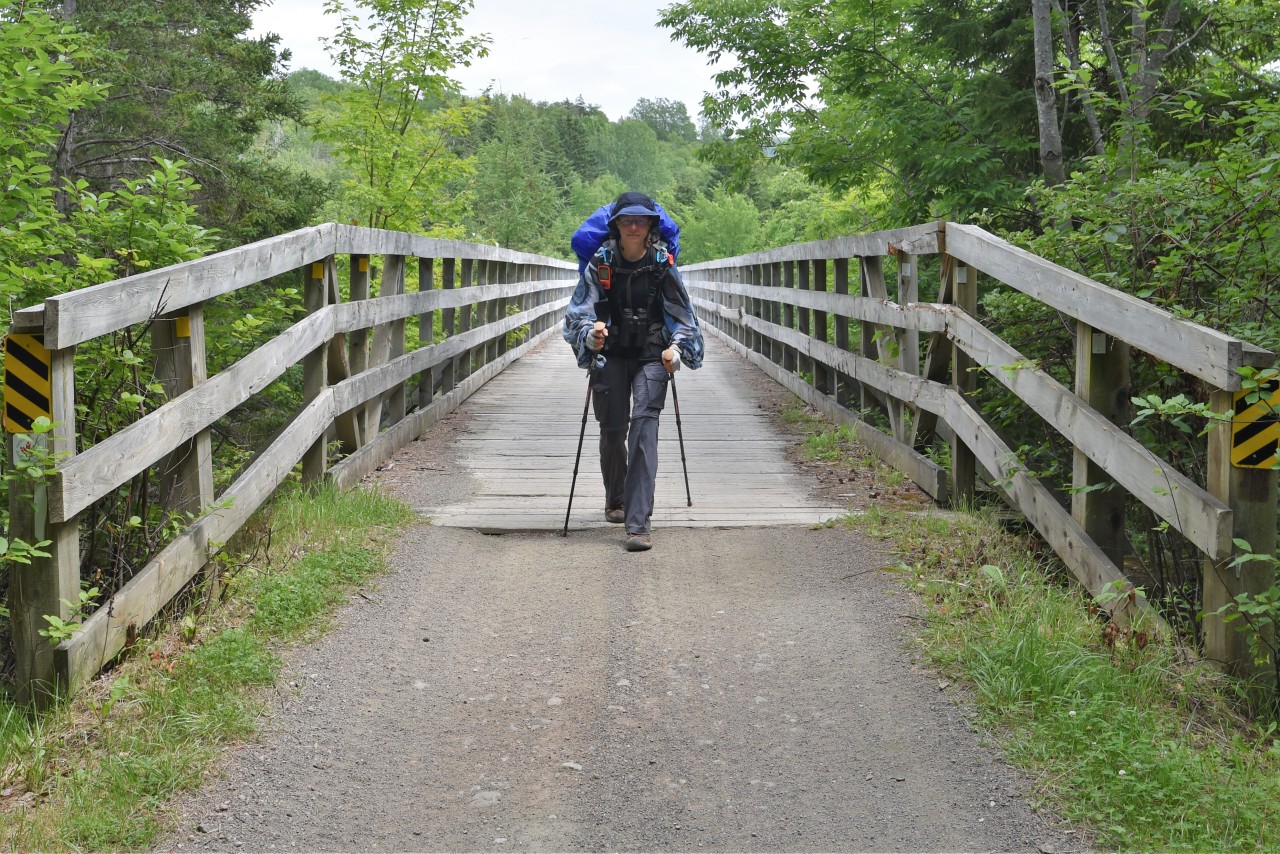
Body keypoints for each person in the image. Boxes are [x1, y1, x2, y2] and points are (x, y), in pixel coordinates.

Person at [563, 192, 704, 552]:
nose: (634, 226)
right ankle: (616, 499)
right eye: (627, 221)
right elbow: (576, 314)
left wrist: (676, 349)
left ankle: (638, 522)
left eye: (641, 221)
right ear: (616, 226)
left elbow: (686, 318)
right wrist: (589, 336)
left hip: (652, 354)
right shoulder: (601, 261)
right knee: (612, 430)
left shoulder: (662, 263)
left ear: (651, 227)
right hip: (609, 354)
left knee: (644, 424)